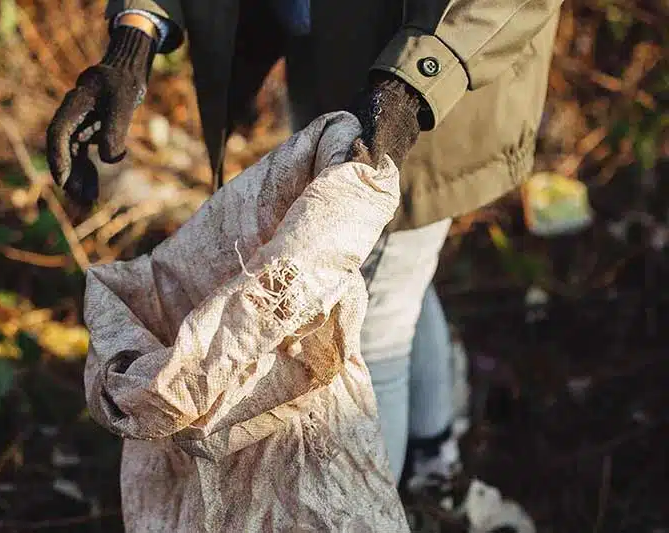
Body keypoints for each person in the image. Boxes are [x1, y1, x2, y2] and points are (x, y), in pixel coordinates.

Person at [47, 1, 561, 530]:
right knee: (396, 280)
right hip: (330, 59)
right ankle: (435, 474)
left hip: (439, 69)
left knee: (371, 326)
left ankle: (386, 507)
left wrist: (414, 83)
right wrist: (136, 34)